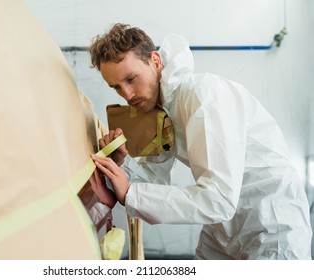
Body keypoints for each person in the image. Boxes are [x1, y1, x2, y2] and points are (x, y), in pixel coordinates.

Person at [88, 23, 312, 259]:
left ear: (155, 60)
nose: (127, 95)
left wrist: (132, 194)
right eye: (116, 88)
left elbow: (219, 199)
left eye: (131, 79)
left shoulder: (203, 95)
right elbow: (155, 179)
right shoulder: (163, 110)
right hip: (223, 230)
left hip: (272, 226)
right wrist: (121, 164)